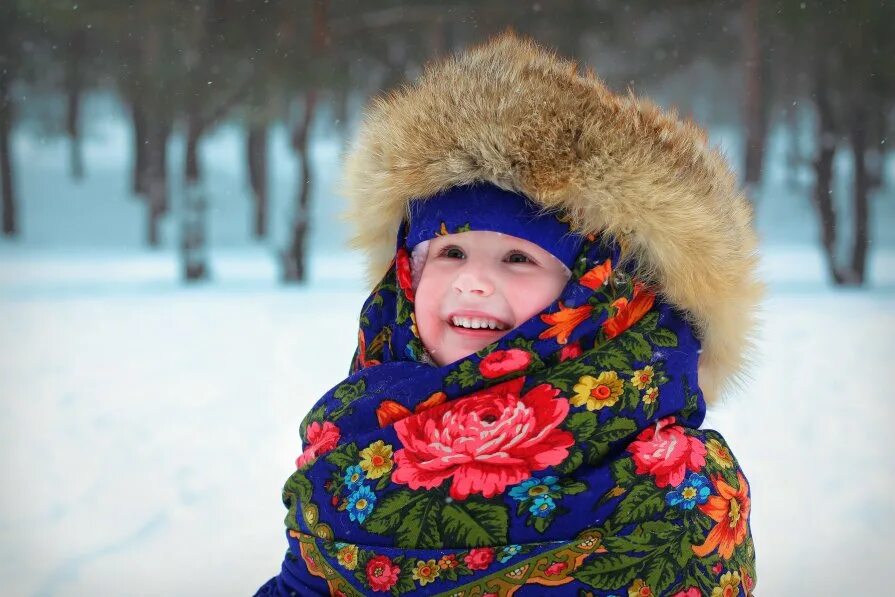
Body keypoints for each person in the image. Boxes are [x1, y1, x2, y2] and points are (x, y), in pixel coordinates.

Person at [256, 31, 761, 596]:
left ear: (596, 299)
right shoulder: (353, 438)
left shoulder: (673, 486)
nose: (473, 280)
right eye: (449, 252)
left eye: (518, 258)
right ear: (407, 277)